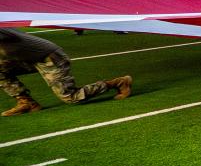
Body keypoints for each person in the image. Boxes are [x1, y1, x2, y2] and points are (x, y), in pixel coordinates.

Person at [0, 28, 132, 116]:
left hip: (50, 57)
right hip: (27, 59)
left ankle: (119, 83)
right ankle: (27, 102)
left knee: (71, 97)